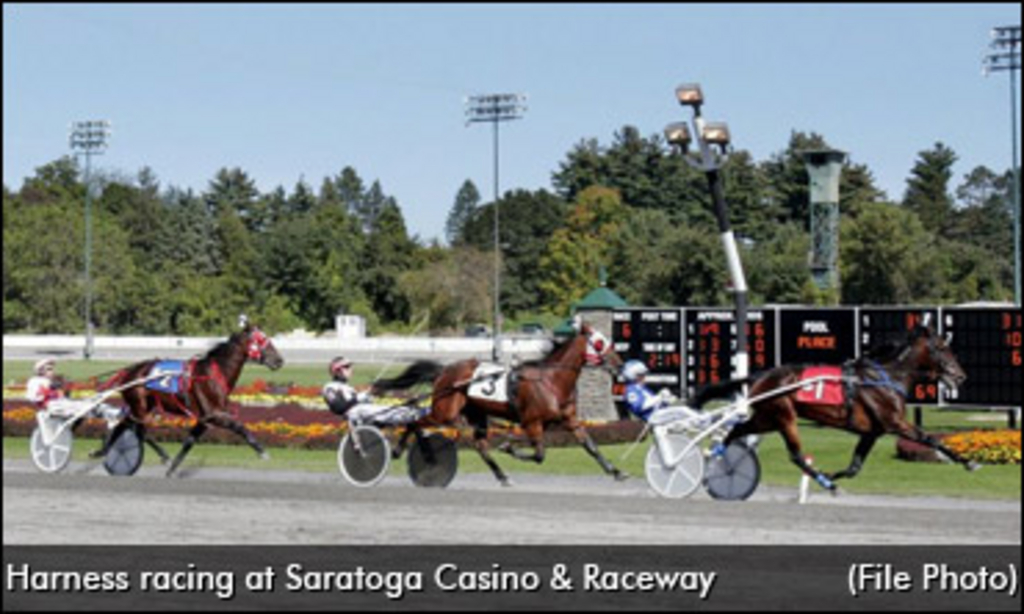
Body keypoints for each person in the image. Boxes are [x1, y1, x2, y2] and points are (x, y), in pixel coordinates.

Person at [322, 357, 424, 427]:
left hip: (364, 414)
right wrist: (361, 396)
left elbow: (358, 401)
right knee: (395, 412)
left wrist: (372, 394)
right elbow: (338, 407)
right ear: (337, 371)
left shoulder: (349, 388)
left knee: (395, 408)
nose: (351, 369)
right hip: (357, 414)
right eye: (347, 367)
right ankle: (421, 413)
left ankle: (414, 413)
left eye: (350, 366)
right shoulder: (330, 387)